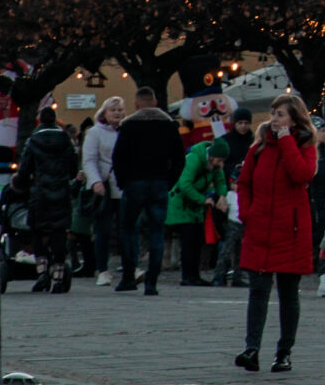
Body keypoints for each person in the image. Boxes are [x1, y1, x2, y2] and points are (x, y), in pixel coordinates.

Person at [233, 93, 318, 373]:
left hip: (290, 230)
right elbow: (244, 183)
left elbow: (302, 174)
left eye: (280, 114)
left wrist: (286, 141)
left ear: (294, 117)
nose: (274, 119)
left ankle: (284, 352)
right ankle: (251, 348)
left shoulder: (304, 144)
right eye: (273, 113)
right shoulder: (258, 147)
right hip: (260, 227)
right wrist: (248, 212)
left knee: (287, 293)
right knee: (257, 290)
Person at [112, 101, 184, 294]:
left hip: (134, 183)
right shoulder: (169, 125)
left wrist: (122, 181)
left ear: (136, 104)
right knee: (157, 233)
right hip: (159, 182)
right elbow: (179, 158)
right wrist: (169, 181)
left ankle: (128, 277)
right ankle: (151, 282)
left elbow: (118, 156)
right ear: (155, 103)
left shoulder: (129, 126)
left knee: (128, 230)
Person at [17, 116, 82, 293]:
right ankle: (59, 277)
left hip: (40, 193)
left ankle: (42, 274)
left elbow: (24, 171)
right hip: (61, 193)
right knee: (59, 232)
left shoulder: (33, 141)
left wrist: (21, 184)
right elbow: (73, 170)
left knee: (37, 231)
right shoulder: (66, 141)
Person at [168, 130, 226, 288]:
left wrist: (222, 196)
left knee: (197, 240)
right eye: (219, 161)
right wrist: (203, 200)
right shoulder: (194, 158)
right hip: (182, 205)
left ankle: (195, 275)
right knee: (188, 240)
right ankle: (187, 276)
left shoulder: (215, 166)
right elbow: (184, 184)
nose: (220, 165)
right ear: (212, 157)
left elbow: (221, 181)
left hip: (196, 207)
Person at [82, 97, 128, 284]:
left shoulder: (126, 131)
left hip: (124, 186)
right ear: (104, 113)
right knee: (103, 230)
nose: (117, 113)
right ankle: (102, 269)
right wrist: (95, 181)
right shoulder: (95, 133)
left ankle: (130, 267)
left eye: (120, 110)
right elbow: (89, 159)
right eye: (113, 110)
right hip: (104, 186)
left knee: (127, 228)